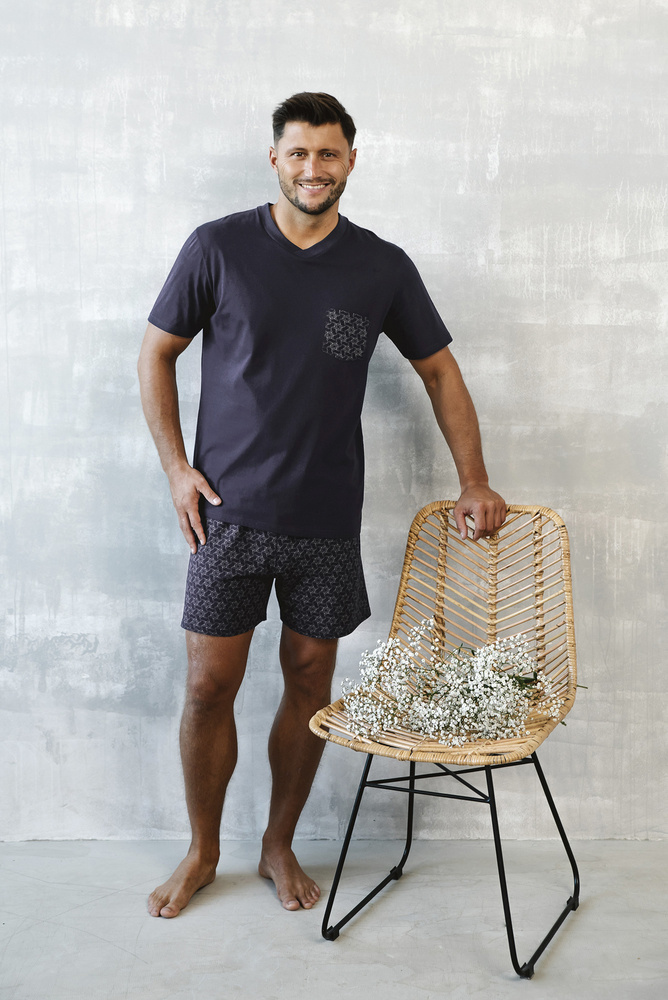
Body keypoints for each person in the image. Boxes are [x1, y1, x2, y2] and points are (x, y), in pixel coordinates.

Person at [137, 92, 506, 919]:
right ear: (275, 158)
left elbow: (439, 371)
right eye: (299, 153)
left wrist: (475, 479)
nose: (314, 168)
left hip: (327, 523)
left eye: (328, 154)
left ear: (350, 161)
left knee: (310, 683)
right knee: (208, 688)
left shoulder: (381, 266)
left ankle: (278, 845)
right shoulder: (218, 247)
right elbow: (156, 353)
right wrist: (175, 469)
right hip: (224, 517)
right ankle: (202, 851)